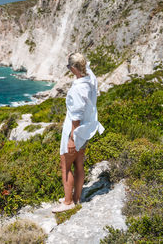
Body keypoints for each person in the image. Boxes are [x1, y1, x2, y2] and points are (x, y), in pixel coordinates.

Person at [52, 52, 105, 213]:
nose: (68, 69)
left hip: (75, 130)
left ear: (74, 68)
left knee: (65, 165)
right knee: (79, 163)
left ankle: (68, 203)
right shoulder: (90, 78)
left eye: (69, 67)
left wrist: (71, 139)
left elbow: (76, 116)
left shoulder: (78, 89)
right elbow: (85, 65)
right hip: (86, 129)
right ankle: (76, 198)